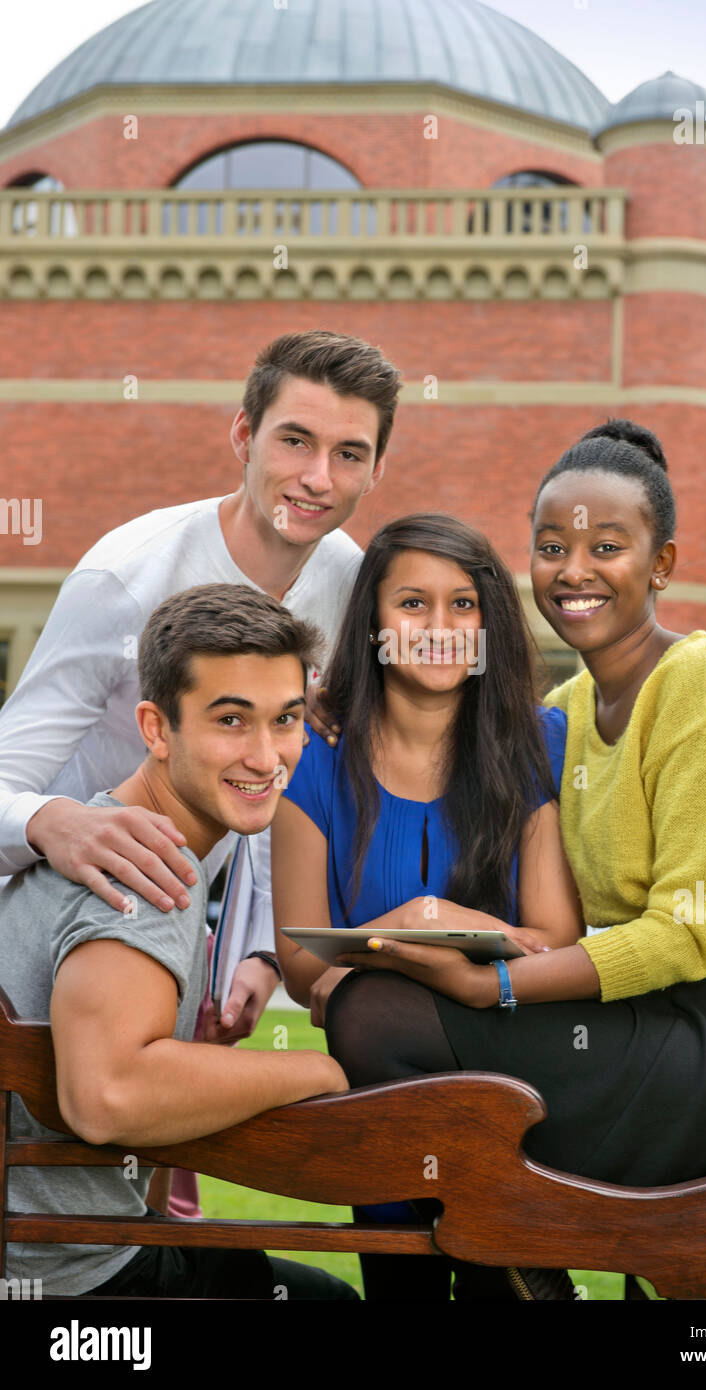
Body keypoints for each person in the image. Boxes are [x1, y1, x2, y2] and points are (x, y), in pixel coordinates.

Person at [328, 420, 706, 1296]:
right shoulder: (564, 711)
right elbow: (435, 729)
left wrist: (491, 985)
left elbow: (685, 939)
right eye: (550, 546)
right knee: (372, 1002)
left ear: (662, 564)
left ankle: (516, 1263)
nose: (572, 570)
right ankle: (513, 1260)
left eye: (605, 546)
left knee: (379, 1018)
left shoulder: (704, 688)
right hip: (645, 1022)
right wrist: (328, 706)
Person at [0, 328, 400, 1043]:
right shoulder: (123, 579)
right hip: (35, 922)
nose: (318, 478)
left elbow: (281, 774)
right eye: (295, 441)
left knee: (151, 1135)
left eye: (349, 454)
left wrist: (261, 949)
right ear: (243, 436)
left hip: (169, 917)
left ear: (375, 471)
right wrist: (52, 823)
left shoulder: (347, 582)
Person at [0, 583, 356, 1299]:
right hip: (71, 1285)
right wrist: (318, 1074)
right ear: (157, 729)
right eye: (231, 720)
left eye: (285, 720)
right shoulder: (145, 874)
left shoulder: (113, 837)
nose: (266, 756)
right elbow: (107, 1095)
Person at [271, 513, 583, 1298]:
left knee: (496, 1283)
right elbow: (302, 964)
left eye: (462, 604)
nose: (438, 627)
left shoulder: (537, 744)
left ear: (487, 623)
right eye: (412, 604)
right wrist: (393, 935)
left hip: (510, 1081)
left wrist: (414, 929)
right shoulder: (313, 755)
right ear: (372, 620)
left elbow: (553, 941)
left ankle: (522, 1264)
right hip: (378, 1102)